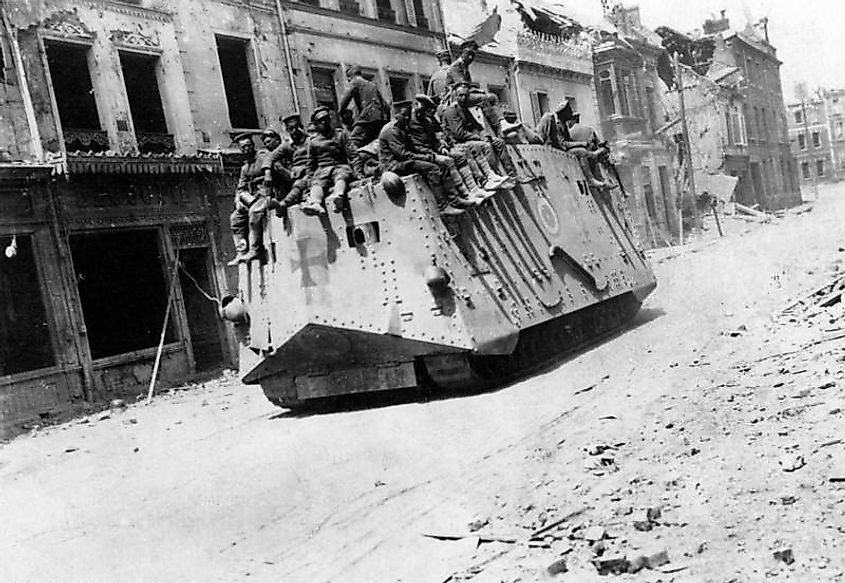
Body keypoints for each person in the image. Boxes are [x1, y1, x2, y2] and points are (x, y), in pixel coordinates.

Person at [379, 100, 472, 217]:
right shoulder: (391, 131)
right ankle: (443, 206)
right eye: (404, 116)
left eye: (408, 115)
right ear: (397, 115)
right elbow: (403, 154)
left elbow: (413, 148)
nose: (407, 118)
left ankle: (454, 200)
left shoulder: (402, 126)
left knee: (442, 165)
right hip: (393, 166)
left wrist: (433, 156)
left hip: (404, 160)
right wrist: (430, 158)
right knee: (432, 168)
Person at [409, 94, 491, 204]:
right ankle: (464, 194)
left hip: (432, 151)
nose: (430, 114)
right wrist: (434, 154)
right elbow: (417, 146)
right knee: (448, 161)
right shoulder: (413, 123)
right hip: (423, 154)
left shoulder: (425, 120)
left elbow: (433, 139)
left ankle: (474, 189)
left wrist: (441, 147)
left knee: (460, 155)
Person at [442, 82, 517, 183]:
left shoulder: (463, 109)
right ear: (455, 95)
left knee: (499, 143)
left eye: (465, 95)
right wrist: (478, 137)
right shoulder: (451, 111)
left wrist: (484, 134)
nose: (463, 98)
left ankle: (512, 175)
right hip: (458, 143)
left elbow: (476, 125)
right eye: (461, 95)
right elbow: (459, 134)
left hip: (470, 139)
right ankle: (494, 176)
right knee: (486, 146)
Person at [227, 133, 280, 265]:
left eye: (249, 146)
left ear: (253, 145)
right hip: (252, 197)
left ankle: (255, 249)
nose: (247, 149)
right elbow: (240, 187)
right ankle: (241, 252)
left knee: (254, 212)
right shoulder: (245, 168)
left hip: (267, 194)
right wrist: (238, 201)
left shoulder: (263, 157)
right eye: (243, 147)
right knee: (235, 218)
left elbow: (273, 175)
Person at [537, 101, 609, 188]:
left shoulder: (564, 125)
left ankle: (597, 171)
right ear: (564, 114)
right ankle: (590, 180)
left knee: (583, 149)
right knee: (581, 151)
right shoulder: (559, 126)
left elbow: (569, 140)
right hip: (561, 151)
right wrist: (581, 144)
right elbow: (562, 143)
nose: (571, 112)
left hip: (565, 149)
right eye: (569, 111)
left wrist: (582, 144)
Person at [300, 106, 357, 215]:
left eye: (326, 118)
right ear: (316, 124)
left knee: (342, 176)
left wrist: (358, 173)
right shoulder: (313, 142)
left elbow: (353, 155)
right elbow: (310, 165)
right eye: (320, 121)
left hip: (340, 166)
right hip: (322, 170)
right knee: (317, 183)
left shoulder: (341, 134)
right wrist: (310, 183)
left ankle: (338, 196)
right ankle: (316, 203)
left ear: (330, 119)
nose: (324, 122)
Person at [338, 65, 389, 149]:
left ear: (350, 76)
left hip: (367, 119)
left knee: (352, 144)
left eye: (348, 79)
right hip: (379, 120)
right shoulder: (372, 85)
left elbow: (345, 100)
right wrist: (386, 121)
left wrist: (341, 112)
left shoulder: (355, 82)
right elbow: (386, 106)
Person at [274, 112, 312, 211]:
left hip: (312, 171)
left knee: (301, 184)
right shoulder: (287, 145)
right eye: (291, 129)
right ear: (287, 130)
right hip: (298, 175)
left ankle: (284, 203)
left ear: (301, 127)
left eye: (296, 127)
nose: (294, 131)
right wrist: (267, 172)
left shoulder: (310, 141)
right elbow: (270, 157)